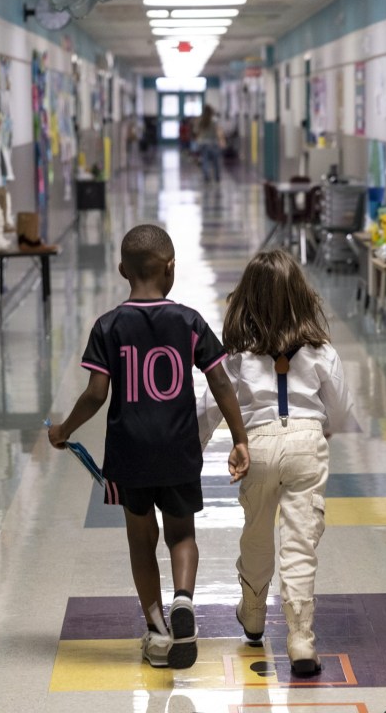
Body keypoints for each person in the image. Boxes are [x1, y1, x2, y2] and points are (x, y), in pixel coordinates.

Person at [48, 224, 250, 670]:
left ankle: (158, 630)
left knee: (141, 543)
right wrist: (239, 437)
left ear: (122, 270)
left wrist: (64, 428)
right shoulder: (190, 321)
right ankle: (184, 600)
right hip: (178, 450)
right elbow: (220, 380)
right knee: (182, 535)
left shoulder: (107, 327)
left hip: (128, 455)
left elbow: (97, 394)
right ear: (171, 268)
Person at [197, 250, 359, 676]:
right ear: (301, 297)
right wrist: (317, 431)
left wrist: (188, 451)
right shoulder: (322, 352)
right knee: (299, 543)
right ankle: (301, 638)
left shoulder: (235, 356)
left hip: (257, 447)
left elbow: (209, 409)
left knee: (256, 533)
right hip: (307, 443)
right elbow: (341, 412)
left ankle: (252, 614)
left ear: (245, 300)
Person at [194, 105, 224, 183]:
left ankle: (206, 176)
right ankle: (217, 177)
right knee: (216, 162)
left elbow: (196, 132)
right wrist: (221, 141)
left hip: (203, 144)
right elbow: (218, 132)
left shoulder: (200, 120)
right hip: (213, 143)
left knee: (205, 161)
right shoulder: (214, 120)